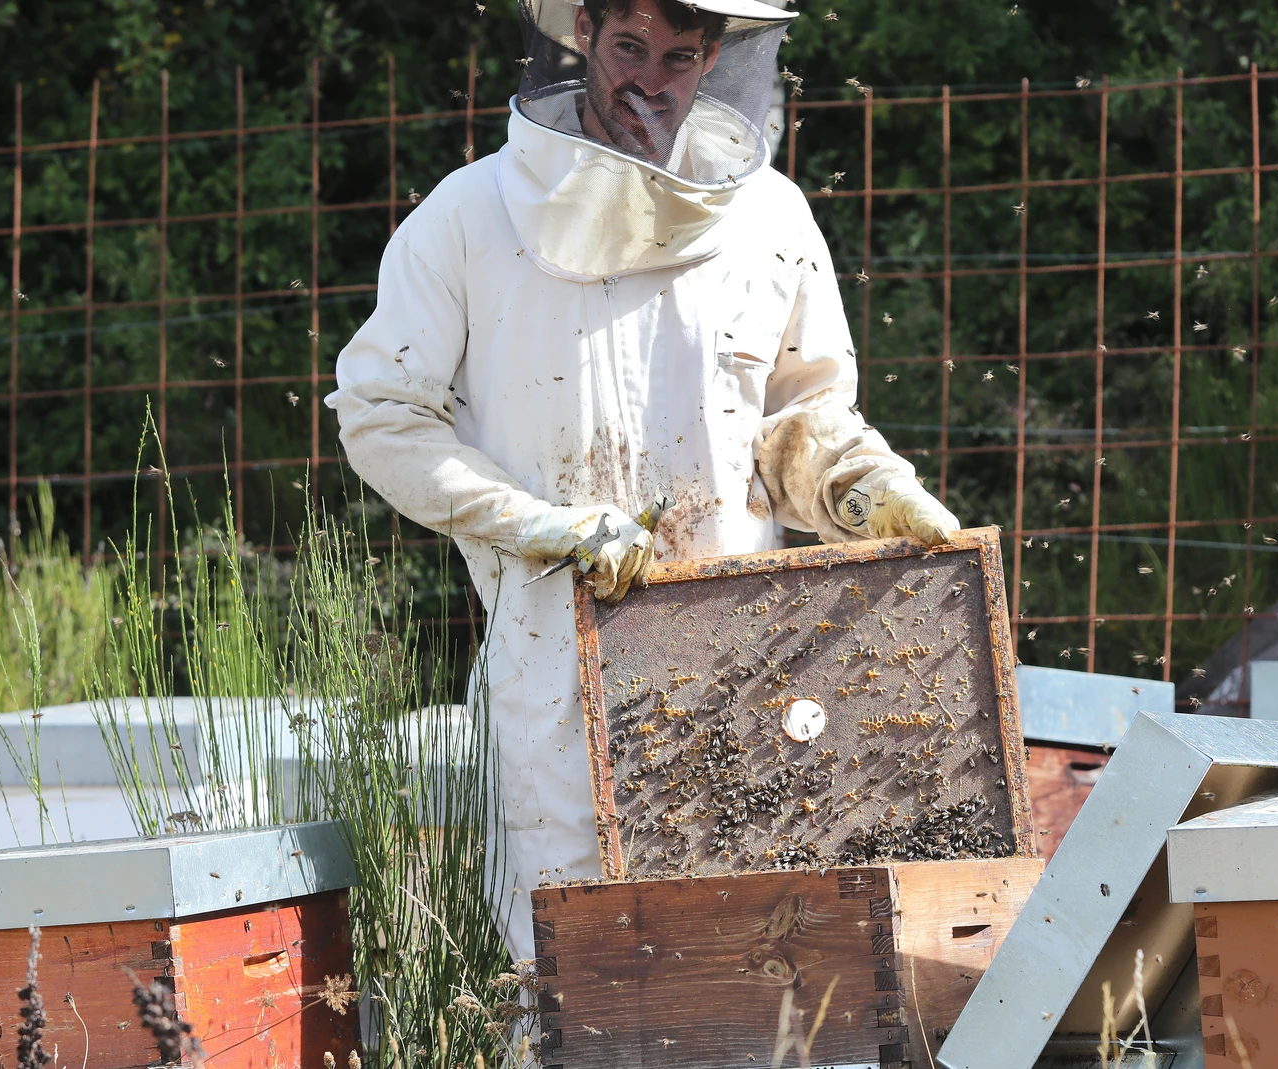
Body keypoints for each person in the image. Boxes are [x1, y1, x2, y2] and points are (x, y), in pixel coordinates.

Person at [325, 0, 960, 962]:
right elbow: (381, 411)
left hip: (744, 674)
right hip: (552, 673)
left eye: (680, 56)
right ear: (582, 34)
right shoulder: (467, 215)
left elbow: (801, 422)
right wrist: (537, 523)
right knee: (568, 996)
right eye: (629, 47)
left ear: (718, 62)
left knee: (750, 993)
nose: (649, 80)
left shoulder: (773, 217)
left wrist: (870, 488)